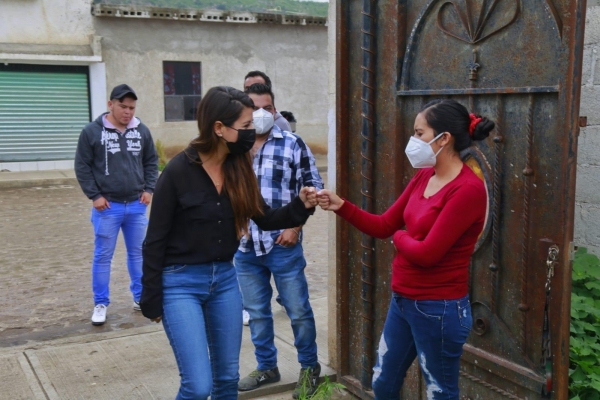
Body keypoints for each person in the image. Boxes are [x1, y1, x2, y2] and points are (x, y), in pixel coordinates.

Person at [139, 86, 318, 400]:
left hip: (223, 280)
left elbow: (264, 216)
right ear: (219, 128)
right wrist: (150, 296)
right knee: (197, 387)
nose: (253, 132)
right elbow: (154, 240)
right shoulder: (178, 172)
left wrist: (301, 205)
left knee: (226, 381)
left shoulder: (239, 167)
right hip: (180, 283)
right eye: (246, 126)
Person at [317, 99, 495, 399]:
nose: (414, 140)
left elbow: (427, 254)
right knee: (383, 382)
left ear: (444, 139)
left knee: (440, 391)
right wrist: (341, 206)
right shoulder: (425, 176)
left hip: (438, 308)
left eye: (419, 133)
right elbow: (385, 224)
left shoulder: (467, 190)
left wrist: (400, 238)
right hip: (403, 301)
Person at [235, 83, 324, 398]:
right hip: (245, 250)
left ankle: (309, 367)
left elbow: (312, 187)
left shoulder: (292, 144)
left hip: (283, 244)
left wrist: (296, 226)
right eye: (254, 108)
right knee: (257, 313)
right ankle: (267, 368)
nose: (261, 114)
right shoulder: (235, 148)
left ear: (275, 109)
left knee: (298, 309)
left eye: (267, 107)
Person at [75, 84, 158, 326]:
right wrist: (94, 195)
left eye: (132, 107)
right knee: (103, 256)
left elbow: (151, 162)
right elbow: (82, 166)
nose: (128, 112)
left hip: (136, 205)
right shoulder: (91, 132)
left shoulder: (141, 130)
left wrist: (149, 189)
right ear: (110, 104)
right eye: (123, 106)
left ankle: (140, 297)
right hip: (107, 207)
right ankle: (101, 303)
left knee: (139, 254)